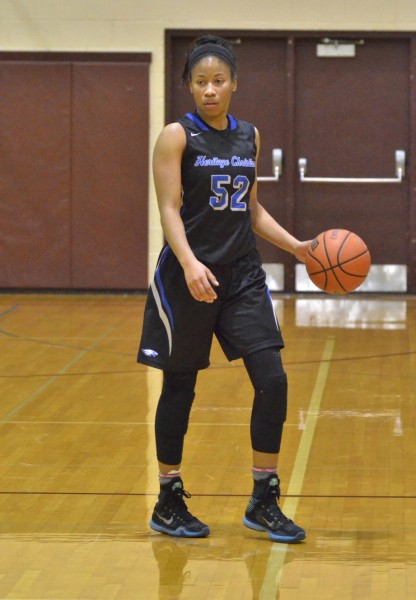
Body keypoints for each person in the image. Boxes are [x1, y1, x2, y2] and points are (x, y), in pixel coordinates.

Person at [137, 34, 310, 543]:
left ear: (234, 83)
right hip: (187, 276)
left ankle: (263, 498)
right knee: (180, 387)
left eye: (218, 80)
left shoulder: (248, 136)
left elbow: (250, 209)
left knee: (273, 380)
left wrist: (297, 246)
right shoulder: (176, 135)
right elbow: (168, 208)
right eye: (199, 81)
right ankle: (168, 498)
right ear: (188, 86)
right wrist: (190, 263)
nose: (209, 90)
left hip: (242, 276)